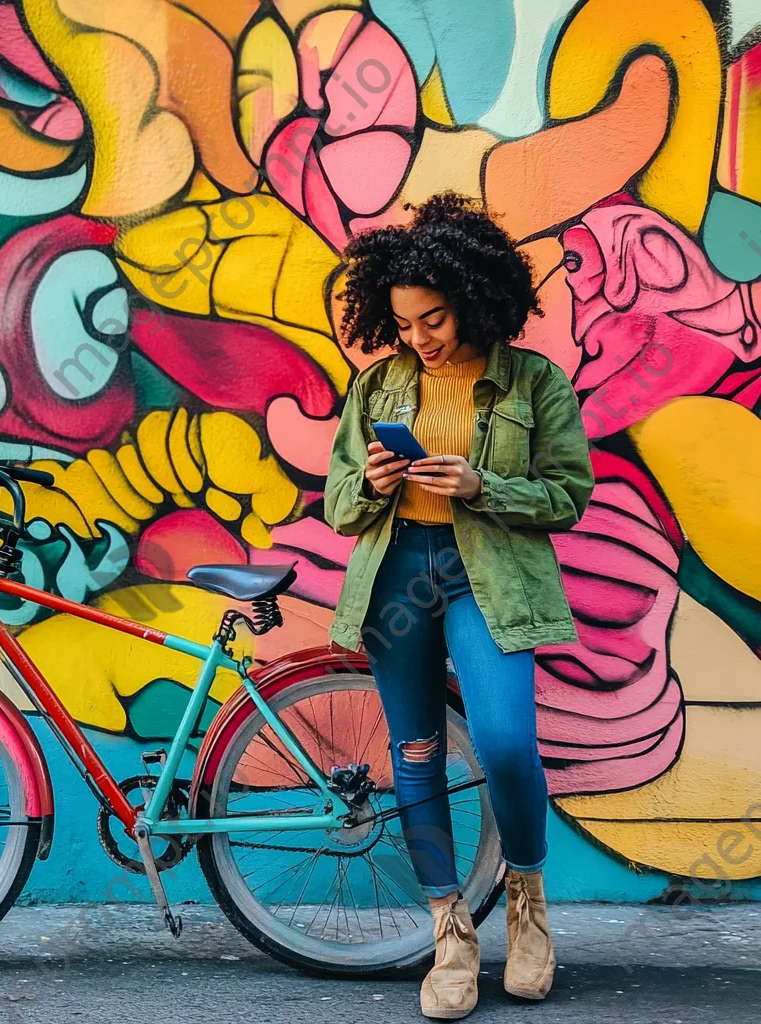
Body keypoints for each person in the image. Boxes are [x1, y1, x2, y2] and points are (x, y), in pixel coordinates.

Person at [324, 192, 593, 1020]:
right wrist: (369, 485)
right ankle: (450, 935)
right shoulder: (379, 385)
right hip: (399, 577)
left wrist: (484, 485)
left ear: (476, 300)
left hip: (488, 576)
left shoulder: (534, 383)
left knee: (507, 744)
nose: (419, 339)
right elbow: (338, 502)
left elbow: (569, 496)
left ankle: (528, 908)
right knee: (413, 756)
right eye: (405, 324)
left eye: (433, 319)